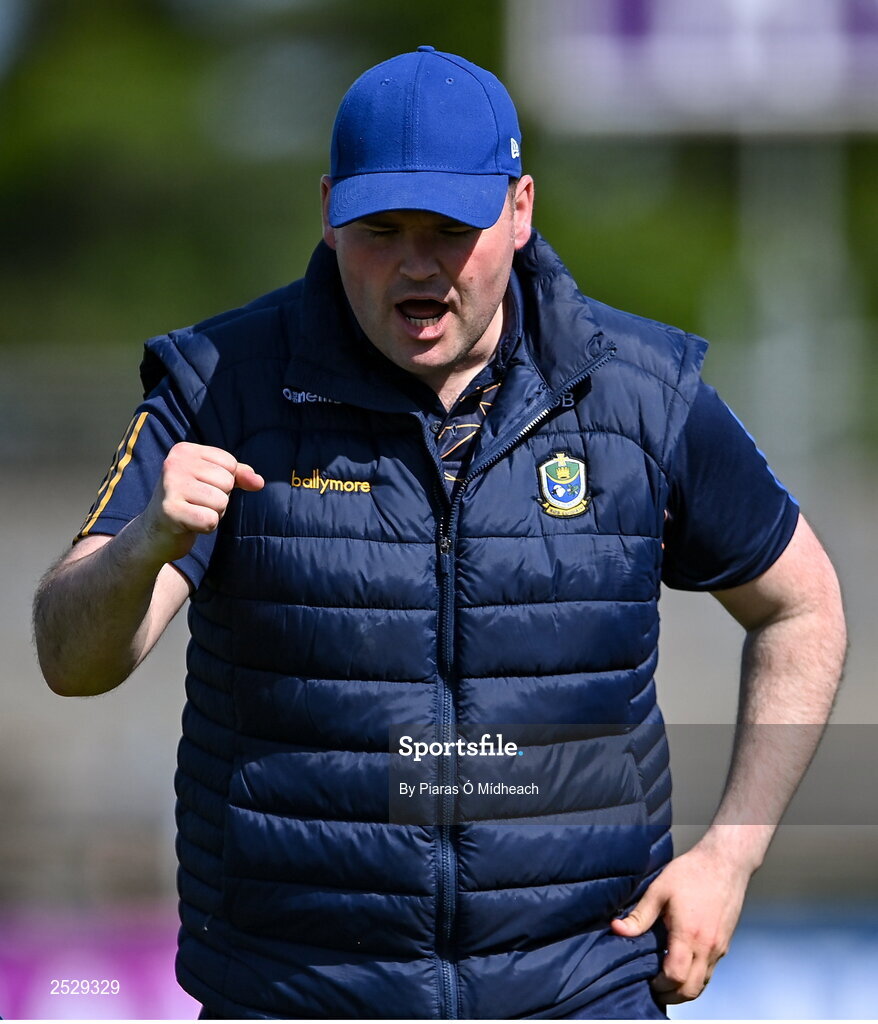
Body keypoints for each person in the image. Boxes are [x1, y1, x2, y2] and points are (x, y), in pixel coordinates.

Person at [33, 46, 845, 1020]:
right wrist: (143, 545)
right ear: (327, 216)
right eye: (380, 229)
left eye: (448, 228)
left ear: (519, 209)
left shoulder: (644, 393)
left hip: (576, 991)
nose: (416, 264)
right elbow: (71, 658)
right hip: (296, 994)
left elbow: (803, 607)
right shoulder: (219, 386)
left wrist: (729, 853)